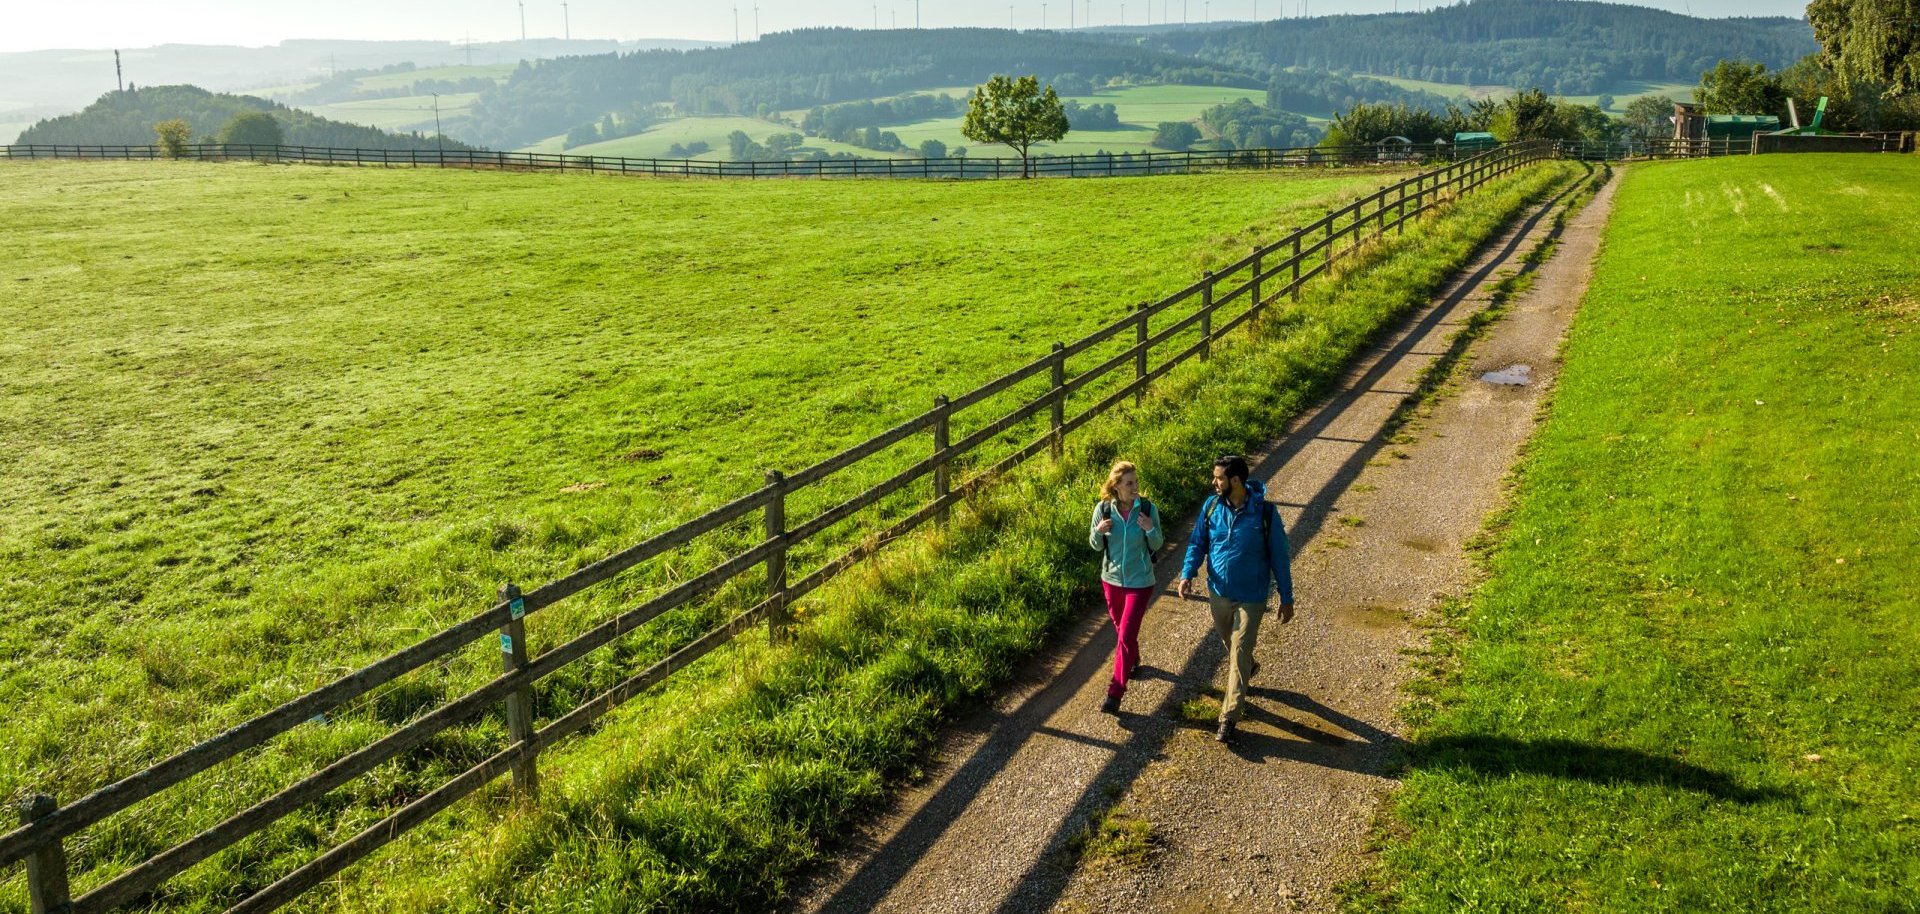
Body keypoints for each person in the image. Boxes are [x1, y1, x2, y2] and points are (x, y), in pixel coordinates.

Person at [1177, 455, 1295, 743]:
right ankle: (1249, 667)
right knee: (1232, 646)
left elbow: (1280, 557)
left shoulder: (1265, 513)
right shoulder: (1212, 507)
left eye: (1218, 478)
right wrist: (1187, 573)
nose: (1213, 482)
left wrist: (1286, 596)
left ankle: (1228, 718)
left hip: (1252, 597)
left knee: (1239, 651)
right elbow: (1197, 544)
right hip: (1218, 593)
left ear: (1236, 481)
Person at [1090, 460, 1164, 715]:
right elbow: (1095, 546)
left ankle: (1115, 692)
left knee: (1124, 636)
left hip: (1140, 582)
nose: (1135, 487)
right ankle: (1133, 657)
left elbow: (1158, 542)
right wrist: (1099, 532)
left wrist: (1150, 528)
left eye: (1136, 482)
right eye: (1129, 483)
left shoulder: (1146, 508)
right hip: (1110, 580)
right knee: (1123, 631)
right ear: (1117, 486)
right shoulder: (1103, 510)